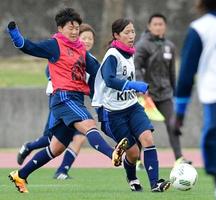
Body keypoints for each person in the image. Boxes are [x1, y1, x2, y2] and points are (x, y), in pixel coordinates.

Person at [7, 8, 128, 193]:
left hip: (76, 99)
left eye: (77, 28)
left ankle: (20, 175)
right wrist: (16, 36)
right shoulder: (54, 45)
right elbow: (29, 46)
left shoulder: (81, 50)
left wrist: (118, 79)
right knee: (89, 125)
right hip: (63, 97)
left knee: (55, 148)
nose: (74, 32)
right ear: (60, 28)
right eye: (70, 28)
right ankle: (113, 154)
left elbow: (99, 72)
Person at [92, 18, 170, 192]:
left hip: (133, 106)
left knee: (148, 139)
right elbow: (110, 80)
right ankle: (132, 178)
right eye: (127, 32)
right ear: (116, 35)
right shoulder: (112, 55)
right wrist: (133, 85)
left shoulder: (130, 52)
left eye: (133, 31)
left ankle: (155, 183)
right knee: (133, 153)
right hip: (113, 113)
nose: (131, 35)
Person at [17, 23, 99, 180]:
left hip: (76, 102)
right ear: (75, 38)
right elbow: (50, 70)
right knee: (50, 139)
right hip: (61, 100)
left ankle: (62, 170)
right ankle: (29, 147)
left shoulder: (89, 59)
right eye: (84, 37)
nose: (87, 41)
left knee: (79, 137)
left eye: (90, 38)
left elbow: (96, 80)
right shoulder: (62, 51)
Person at [170, 1, 216, 199]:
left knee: (213, 138)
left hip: (215, 97)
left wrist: (179, 112)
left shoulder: (200, 28)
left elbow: (185, 75)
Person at [134, 13, 191, 166]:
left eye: (161, 24)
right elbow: (136, 68)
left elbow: (172, 72)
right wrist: (141, 88)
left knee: (173, 124)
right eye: (155, 24)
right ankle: (137, 159)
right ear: (149, 26)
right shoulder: (142, 45)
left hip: (165, 94)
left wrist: (176, 94)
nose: (158, 27)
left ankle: (179, 158)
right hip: (146, 95)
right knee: (141, 126)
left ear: (165, 26)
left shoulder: (169, 46)